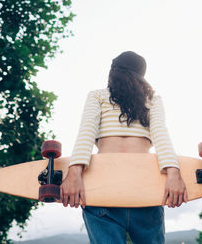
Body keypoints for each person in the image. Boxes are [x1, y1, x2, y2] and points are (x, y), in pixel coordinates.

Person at [60, 51, 188, 244]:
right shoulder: (150, 99)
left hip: (104, 191)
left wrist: (75, 172)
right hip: (144, 190)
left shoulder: (99, 96)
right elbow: (161, 136)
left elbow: (86, 133)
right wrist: (173, 173)